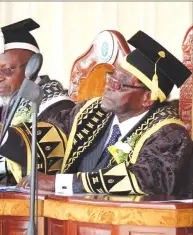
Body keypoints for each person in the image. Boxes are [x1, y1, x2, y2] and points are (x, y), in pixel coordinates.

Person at [10, 31, 192, 196]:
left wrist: (59, 182)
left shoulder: (170, 135)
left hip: (128, 226)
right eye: (111, 77)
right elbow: (51, 134)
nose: (108, 87)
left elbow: (146, 178)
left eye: (119, 84)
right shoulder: (90, 112)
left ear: (147, 99)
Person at [0, 18, 75, 184]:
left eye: (6, 70)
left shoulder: (57, 106)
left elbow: (47, 161)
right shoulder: (6, 103)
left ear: (32, 67)